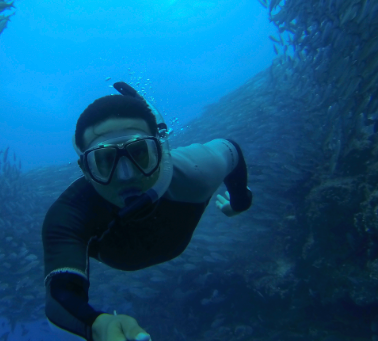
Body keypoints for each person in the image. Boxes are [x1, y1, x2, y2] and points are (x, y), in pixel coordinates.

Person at [42, 82, 253, 341]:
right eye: (105, 160)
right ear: (85, 169)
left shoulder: (196, 171)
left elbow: (231, 149)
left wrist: (240, 202)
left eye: (139, 152)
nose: (126, 176)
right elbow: (60, 295)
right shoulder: (70, 215)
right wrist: (96, 324)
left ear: (161, 152)